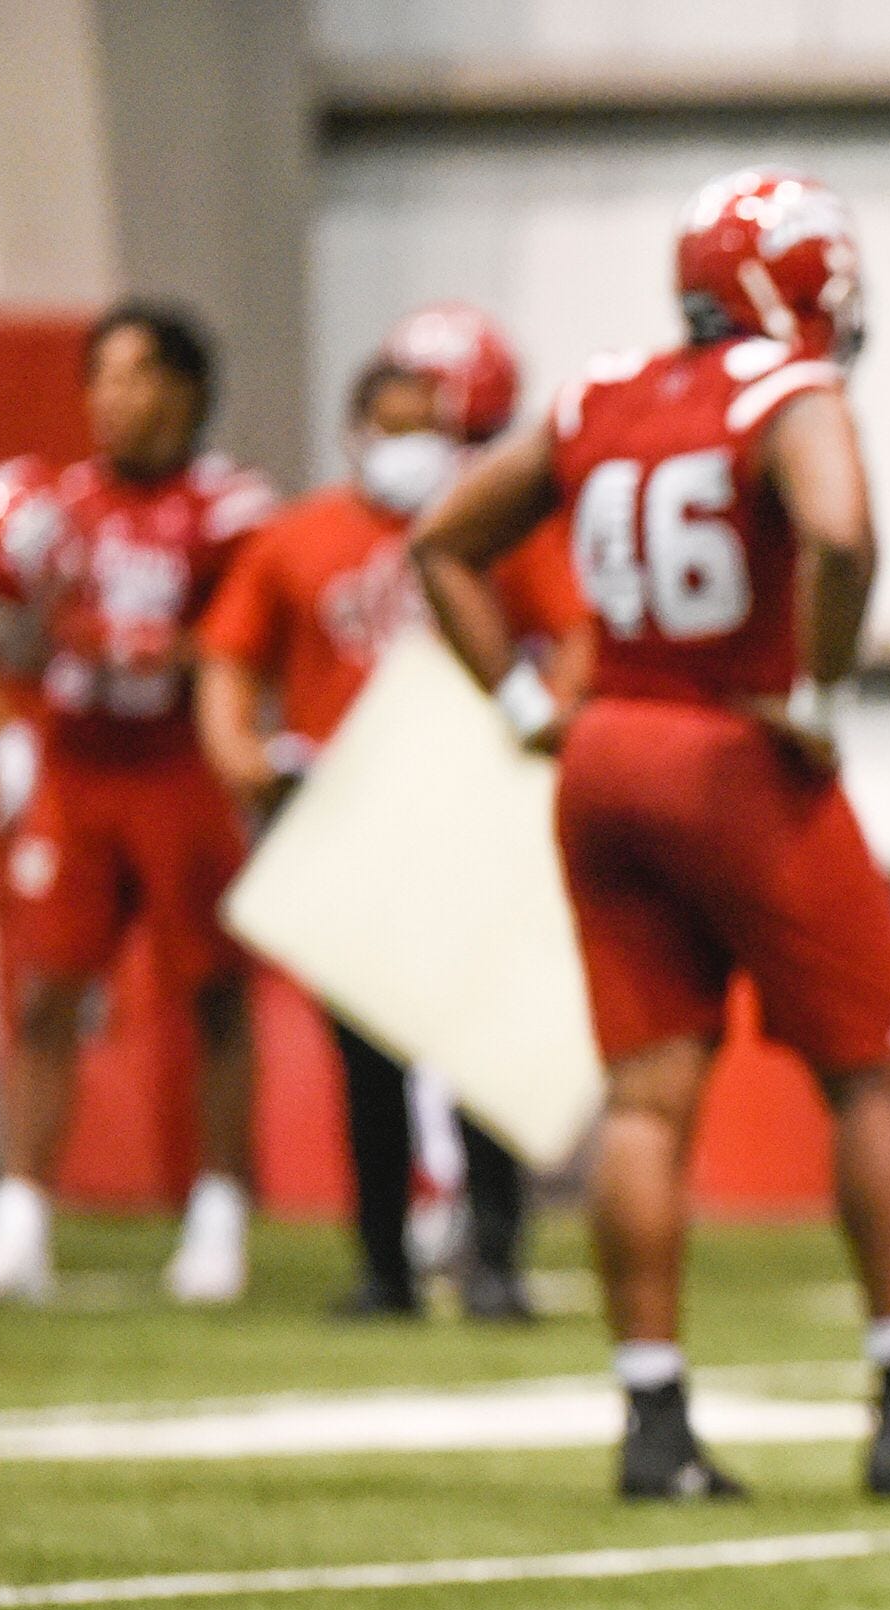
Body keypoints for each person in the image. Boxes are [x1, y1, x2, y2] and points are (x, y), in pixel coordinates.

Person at [410, 167, 890, 1505]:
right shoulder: (787, 392)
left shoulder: (599, 392)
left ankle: (653, 1421)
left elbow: (442, 543)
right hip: (735, 754)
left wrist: (525, 706)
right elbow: (841, 534)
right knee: (874, 1069)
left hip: (605, 750)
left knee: (646, 1096)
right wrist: (816, 692)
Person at [194, 351, 587, 1322]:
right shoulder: (297, 537)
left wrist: (545, 716)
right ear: (355, 433)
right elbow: (227, 657)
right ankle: (384, 1261)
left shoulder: (488, 523)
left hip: (468, 807)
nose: (415, 449)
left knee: (484, 1041)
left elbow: (579, 631)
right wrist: (241, 752)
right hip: (353, 814)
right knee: (368, 1055)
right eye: (397, 427)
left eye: (431, 429)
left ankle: (493, 1253)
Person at [0, 305, 275, 1304]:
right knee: (45, 993)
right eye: (100, 378)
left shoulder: (232, 508)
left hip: (180, 770)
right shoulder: (57, 508)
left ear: (185, 389)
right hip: (79, 771)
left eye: (132, 376)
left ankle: (219, 1215)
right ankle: (21, 1222)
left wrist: (168, 650)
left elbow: (250, 643)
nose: (109, 400)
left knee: (214, 994)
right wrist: (8, 726)